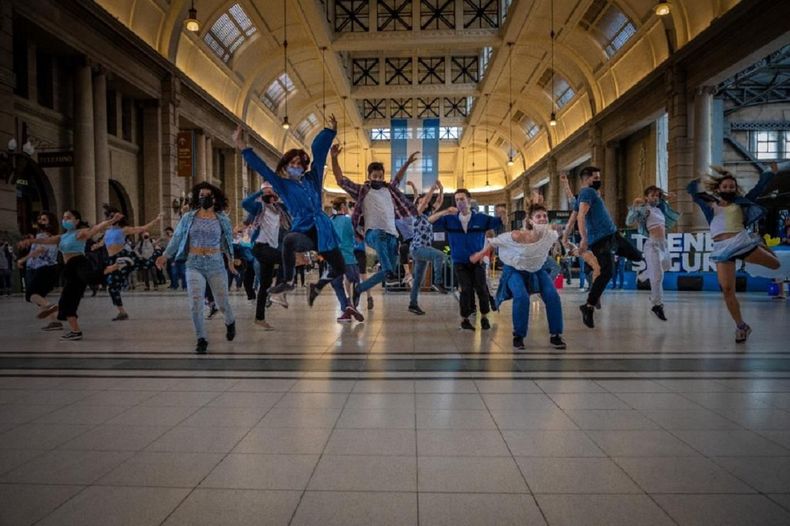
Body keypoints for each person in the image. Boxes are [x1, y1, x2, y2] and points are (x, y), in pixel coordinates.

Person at [234, 117, 346, 307]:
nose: (295, 166)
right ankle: (287, 282)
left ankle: (316, 287)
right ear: (285, 166)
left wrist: (330, 132)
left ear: (303, 165)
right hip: (304, 228)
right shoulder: (283, 185)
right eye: (291, 163)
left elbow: (319, 156)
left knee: (339, 268)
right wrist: (241, 145)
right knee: (289, 240)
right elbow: (262, 168)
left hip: (323, 230)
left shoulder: (313, 178)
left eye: (299, 163)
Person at [687, 163, 782, 343]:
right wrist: (695, 182)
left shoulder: (741, 202)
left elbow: (759, 188)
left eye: (732, 187)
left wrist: (770, 173)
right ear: (718, 188)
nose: (729, 189)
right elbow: (693, 193)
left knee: (776, 265)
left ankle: (758, 242)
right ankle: (741, 326)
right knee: (727, 289)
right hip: (722, 250)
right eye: (725, 187)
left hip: (740, 242)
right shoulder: (711, 205)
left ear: (735, 189)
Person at [471, 204, 566, 350]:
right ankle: (518, 336)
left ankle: (556, 335)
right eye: (538, 216)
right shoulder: (517, 235)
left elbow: (564, 231)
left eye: (544, 216)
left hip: (537, 270)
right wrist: (479, 254)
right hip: (515, 271)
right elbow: (495, 242)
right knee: (521, 297)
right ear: (530, 221)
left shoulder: (550, 235)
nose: (542, 219)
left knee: (552, 296)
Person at [156, 182, 236, 353]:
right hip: (194, 263)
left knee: (222, 302)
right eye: (200, 195)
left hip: (215, 262)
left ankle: (230, 321)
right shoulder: (188, 217)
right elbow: (177, 238)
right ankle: (201, 338)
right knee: (195, 302)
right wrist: (165, 255)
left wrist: (231, 261)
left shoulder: (222, 219)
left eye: (207, 195)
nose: (203, 198)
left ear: (214, 198)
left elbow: (227, 242)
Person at [333, 149, 420, 307]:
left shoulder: (389, 189)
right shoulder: (363, 190)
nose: (378, 179)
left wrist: (407, 163)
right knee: (381, 241)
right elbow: (341, 180)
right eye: (375, 177)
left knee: (388, 269)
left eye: (380, 177)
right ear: (369, 177)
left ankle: (360, 289)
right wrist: (334, 158)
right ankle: (388, 272)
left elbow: (398, 178)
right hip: (373, 233)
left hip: (392, 234)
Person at [20, 210, 123, 340]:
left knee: (89, 277)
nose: (65, 220)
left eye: (69, 217)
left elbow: (96, 228)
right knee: (66, 302)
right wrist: (30, 241)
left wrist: (112, 221)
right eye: (64, 218)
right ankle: (76, 332)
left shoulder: (79, 233)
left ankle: (113, 266)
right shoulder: (62, 237)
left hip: (79, 262)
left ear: (77, 221)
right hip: (69, 269)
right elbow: (47, 240)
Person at [575, 166, 643, 328]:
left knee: (637, 256)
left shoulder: (591, 194)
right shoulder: (587, 192)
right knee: (608, 272)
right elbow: (580, 215)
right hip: (601, 240)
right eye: (595, 177)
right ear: (586, 179)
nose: (598, 180)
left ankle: (606, 259)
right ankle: (588, 306)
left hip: (614, 236)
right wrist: (584, 238)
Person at [431, 189, 505, 330]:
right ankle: (464, 319)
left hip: (478, 261)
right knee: (465, 289)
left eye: (462, 199)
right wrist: (446, 211)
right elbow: (430, 220)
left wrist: (503, 213)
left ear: (469, 200)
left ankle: (484, 317)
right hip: (459, 261)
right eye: (457, 199)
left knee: (482, 289)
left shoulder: (481, 219)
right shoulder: (450, 219)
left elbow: (499, 223)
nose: (459, 202)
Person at [242, 181, 291, 330]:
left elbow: (290, 204)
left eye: (271, 193)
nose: (269, 195)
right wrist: (260, 193)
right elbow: (245, 202)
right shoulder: (258, 208)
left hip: (270, 248)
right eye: (266, 193)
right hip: (259, 247)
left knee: (264, 285)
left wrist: (278, 192)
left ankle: (260, 318)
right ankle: (279, 292)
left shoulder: (279, 209)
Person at [626, 186, 680, 321]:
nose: (655, 198)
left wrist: (667, 197)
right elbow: (629, 221)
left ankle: (642, 276)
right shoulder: (644, 210)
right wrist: (634, 205)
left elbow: (662, 200)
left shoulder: (660, 208)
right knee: (658, 276)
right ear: (646, 197)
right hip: (652, 245)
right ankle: (657, 305)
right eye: (652, 195)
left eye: (657, 195)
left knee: (666, 267)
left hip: (664, 245)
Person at [100, 204, 162, 321]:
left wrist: (156, 220)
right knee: (112, 286)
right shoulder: (107, 231)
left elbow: (142, 228)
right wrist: (96, 245)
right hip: (112, 259)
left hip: (123, 256)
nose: (110, 219)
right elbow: (103, 242)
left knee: (146, 264)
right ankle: (122, 312)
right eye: (109, 216)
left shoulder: (124, 230)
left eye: (112, 216)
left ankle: (158, 254)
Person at [406, 179, 449, 315]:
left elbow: (439, 202)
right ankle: (437, 282)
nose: (422, 203)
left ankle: (413, 304)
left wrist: (441, 189)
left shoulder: (427, 215)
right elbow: (424, 201)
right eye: (420, 202)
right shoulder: (416, 215)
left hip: (423, 250)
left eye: (423, 202)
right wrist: (432, 188)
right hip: (418, 249)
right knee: (440, 255)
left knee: (418, 280)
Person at [16, 212, 61, 329]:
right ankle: (54, 322)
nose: (41, 222)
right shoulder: (52, 236)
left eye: (44, 220)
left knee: (30, 295)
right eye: (40, 219)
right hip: (47, 269)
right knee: (39, 297)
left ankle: (50, 305)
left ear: (50, 222)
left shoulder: (43, 236)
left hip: (43, 269)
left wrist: (22, 260)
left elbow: (39, 250)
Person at [328, 193, 365, 323]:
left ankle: (346, 309)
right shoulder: (348, 220)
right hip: (348, 257)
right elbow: (357, 236)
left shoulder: (330, 221)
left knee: (336, 284)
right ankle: (352, 306)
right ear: (343, 206)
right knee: (356, 282)